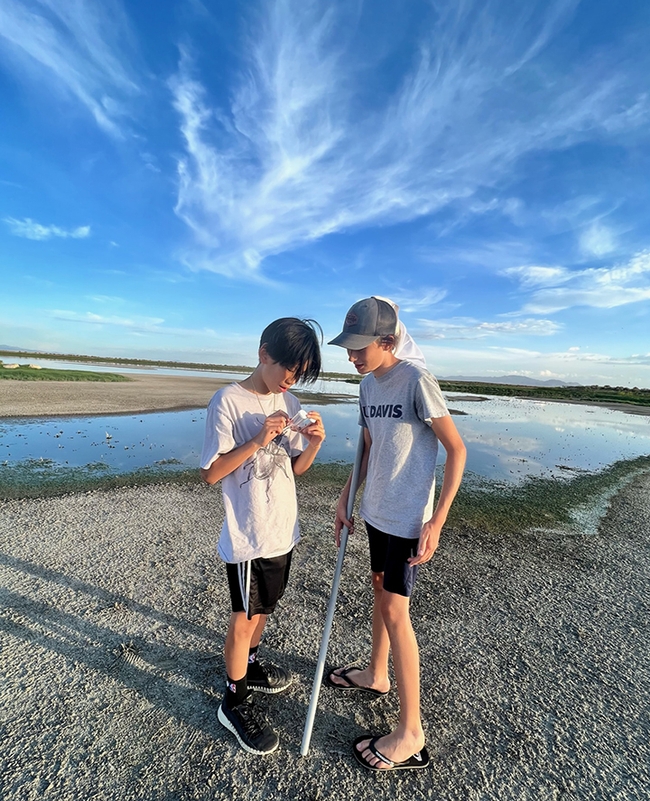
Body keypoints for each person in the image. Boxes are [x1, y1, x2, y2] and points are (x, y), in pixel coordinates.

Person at [327, 296, 466, 772]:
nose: (352, 355)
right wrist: (347, 496)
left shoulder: (417, 381)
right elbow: (365, 447)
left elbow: (457, 450)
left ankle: (411, 733)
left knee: (394, 609)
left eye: (360, 347)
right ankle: (376, 673)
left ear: (388, 341)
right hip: (376, 513)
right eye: (348, 347)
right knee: (378, 593)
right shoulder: (367, 386)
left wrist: (437, 520)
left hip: (408, 519)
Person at [200, 317, 326, 755]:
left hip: (281, 531)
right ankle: (233, 701)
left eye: (301, 371)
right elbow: (211, 474)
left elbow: (294, 470)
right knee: (244, 616)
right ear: (263, 352)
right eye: (289, 366)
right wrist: (256, 439)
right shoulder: (228, 401)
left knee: (265, 609)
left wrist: (312, 444)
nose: (292, 378)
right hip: (247, 535)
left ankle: (250, 666)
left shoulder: (289, 401)